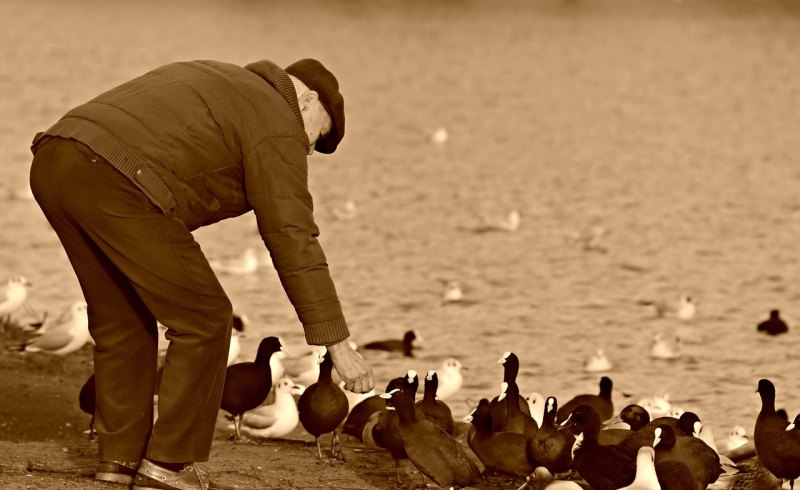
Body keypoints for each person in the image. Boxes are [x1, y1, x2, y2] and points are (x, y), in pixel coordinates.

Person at [28, 57, 375, 489]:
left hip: (57, 157)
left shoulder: (217, 74)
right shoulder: (276, 121)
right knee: (207, 318)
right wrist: (336, 343)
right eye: (314, 138)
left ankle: (117, 460)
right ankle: (169, 464)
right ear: (305, 101)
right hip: (117, 177)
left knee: (123, 321)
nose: (305, 151)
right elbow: (292, 235)